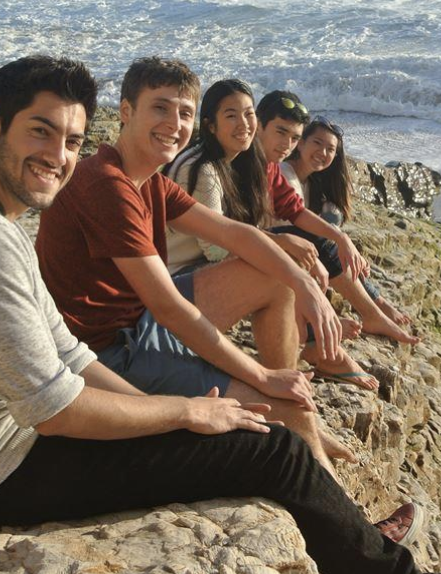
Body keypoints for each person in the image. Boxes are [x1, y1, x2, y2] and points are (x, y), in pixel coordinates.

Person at [0, 54, 433, 574]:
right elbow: (56, 410)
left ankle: (352, 538)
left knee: (253, 428)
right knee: (274, 449)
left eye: (71, 140)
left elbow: (68, 353)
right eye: (40, 131)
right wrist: (185, 412)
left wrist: (168, 417)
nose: (59, 156)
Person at [35, 58, 355, 476]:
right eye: (160, 108)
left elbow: (236, 234)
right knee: (286, 405)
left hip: (138, 323)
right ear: (126, 111)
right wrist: (261, 377)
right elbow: (170, 309)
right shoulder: (107, 186)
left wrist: (305, 285)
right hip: (108, 354)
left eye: (185, 112)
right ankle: (312, 449)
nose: (174, 123)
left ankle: (299, 416)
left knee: (275, 280)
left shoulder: (149, 180)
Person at [165, 79, 379, 390]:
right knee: (279, 269)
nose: (243, 124)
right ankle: (302, 363)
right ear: (210, 125)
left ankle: (296, 362)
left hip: (193, 277)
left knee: (286, 261)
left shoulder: (238, 162)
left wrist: (323, 244)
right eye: (231, 115)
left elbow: (281, 214)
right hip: (172, 286)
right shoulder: (204, 169)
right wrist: (280, 245)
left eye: (248, 114)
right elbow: (215, 249)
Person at [277, 110, 419, 343]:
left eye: (330, 149)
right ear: (300, 143)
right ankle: (372, 313)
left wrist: (347, 247)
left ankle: (378, 303)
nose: (323, 153)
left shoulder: (310, 182)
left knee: (331, 231)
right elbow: (297, 223)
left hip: (290, 251)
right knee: (324, 241)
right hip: (271, 246)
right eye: (317, 143)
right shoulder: (284, 172)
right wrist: (342, 241)